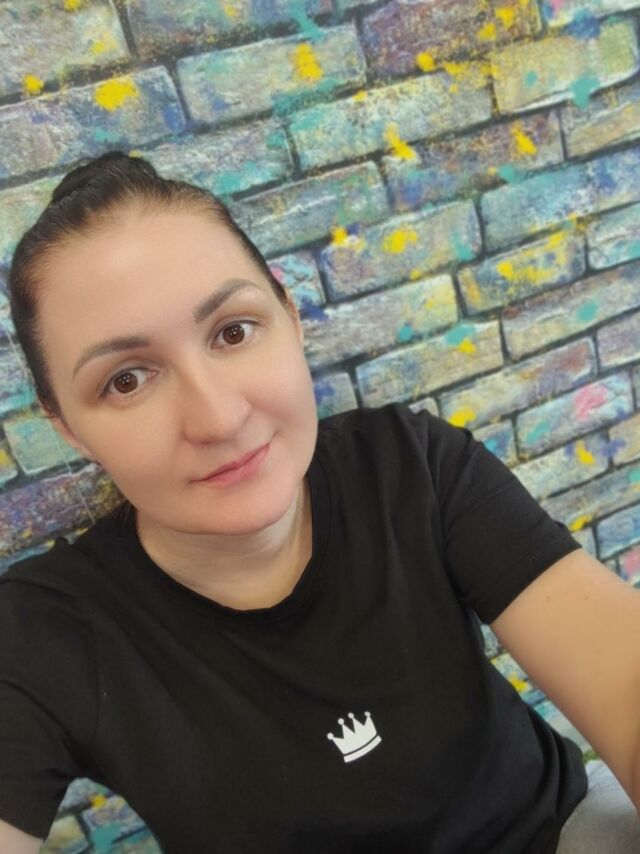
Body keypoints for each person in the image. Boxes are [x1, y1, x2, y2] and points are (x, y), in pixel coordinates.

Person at [0, 152, 637, 854]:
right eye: (126, 380)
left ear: (291, 316)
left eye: (233, 331)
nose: (219, 418)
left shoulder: (412, 468)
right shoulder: (47, 631)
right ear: (67, 426)